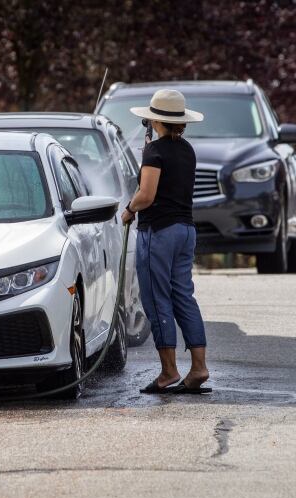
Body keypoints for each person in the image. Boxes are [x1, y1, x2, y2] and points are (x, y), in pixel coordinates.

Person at [121, 89, 211, 394]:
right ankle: (198, 367)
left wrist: (129, 209)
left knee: (157, 300)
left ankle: (168, 371)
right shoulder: (187, 150)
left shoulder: (154, 152)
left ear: (154, 120)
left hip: (158, 233)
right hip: (185, 231)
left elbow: (147, 196)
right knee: (184, 296)